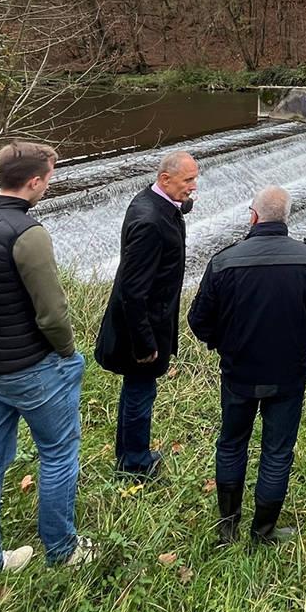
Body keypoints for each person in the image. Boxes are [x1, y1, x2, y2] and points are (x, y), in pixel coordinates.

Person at [0, 140, 94, 571]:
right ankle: (63, 550)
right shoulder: (28, 235)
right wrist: (68, 355)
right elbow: (52, 314)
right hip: (32, 368)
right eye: (49, 177)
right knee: (58, 455)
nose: (49, 184)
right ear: (34, 182)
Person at [188, 186, 306, 544]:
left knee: (231, 444)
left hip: (239, 370)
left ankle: (227, 527)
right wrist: (302, 337)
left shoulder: (224, 261)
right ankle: (263, 532)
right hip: (288, 372)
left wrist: (225, 343)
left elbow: (199, 321)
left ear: (253, 216)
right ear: (285, 218)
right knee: (277, 451)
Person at [94, 150, 198, 479]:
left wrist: (182, 202)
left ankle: (128, 455)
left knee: (135, 389)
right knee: (141, 392)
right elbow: (132, 290)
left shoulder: (152, 202)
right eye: (188, 180)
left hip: (148, 322)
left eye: (195, 178)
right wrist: (144, 343)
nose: (194, 186)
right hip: (140, 328)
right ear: (165, 180)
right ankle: (136, 464)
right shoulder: (150, 222)